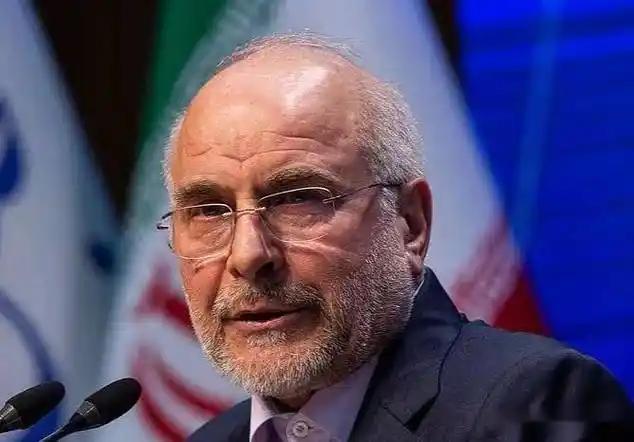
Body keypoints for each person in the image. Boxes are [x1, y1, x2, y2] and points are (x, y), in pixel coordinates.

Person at [158, 33, 634, 441]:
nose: (248, 254)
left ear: (410, 223)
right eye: (208, 210)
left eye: (298, 199)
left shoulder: (534, 405)